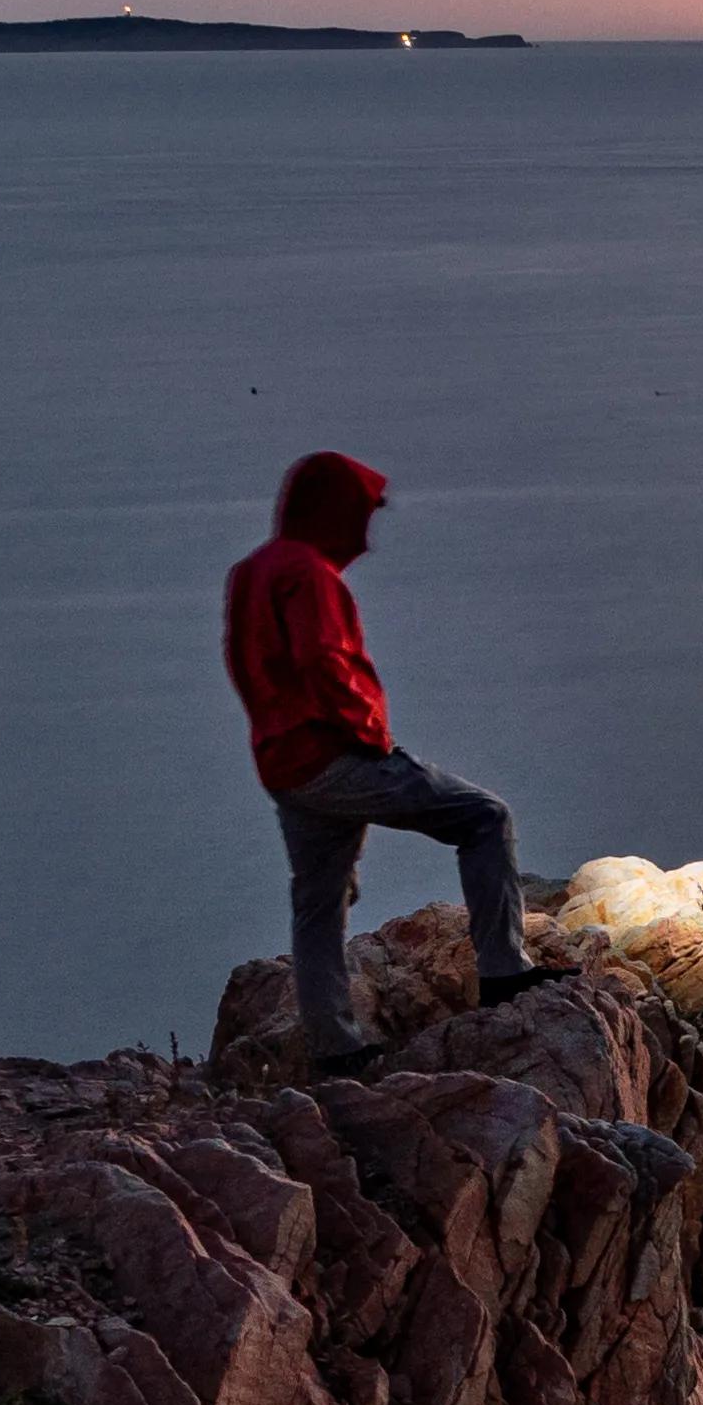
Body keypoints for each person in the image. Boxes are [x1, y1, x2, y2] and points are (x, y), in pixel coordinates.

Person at [221, 451, 556, 1069]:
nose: (366, 537)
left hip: (283, 765)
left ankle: (335, 1048)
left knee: (319, 903)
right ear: (334, 512)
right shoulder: (310, 573)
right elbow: (327, 663)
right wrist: (371, 738)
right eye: (360, 515)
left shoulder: (253, 571)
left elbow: (244, 661)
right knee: (484, 818)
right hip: (333, 756)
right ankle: (503, 970)